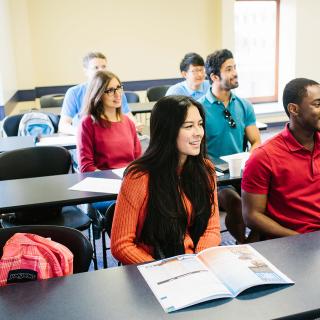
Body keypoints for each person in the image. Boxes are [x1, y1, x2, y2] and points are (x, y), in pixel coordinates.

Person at [111, 96, 221, 265]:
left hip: (195, 264)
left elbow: (211, 228)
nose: (198, 132)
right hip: (153, 266)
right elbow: (121, 245)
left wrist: (198, 262)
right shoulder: (139, 176)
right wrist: (165, 268)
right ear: (167, 131)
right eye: (189, 126)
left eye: (200, 124)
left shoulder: (205, 169)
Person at [242, 78, 320, 238]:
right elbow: (252, 216)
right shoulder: (264, 156)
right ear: (294, 109)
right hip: (291, 241)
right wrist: (301, 240)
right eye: (318, 104)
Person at [198, 49, 261, 244]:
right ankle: (242, 242)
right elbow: (194, 150)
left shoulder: (244, 105)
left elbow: (256, 142)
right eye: (229, 69)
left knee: (274, 196)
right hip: (212, 176)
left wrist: (251, 158)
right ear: (215, 76)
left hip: (241, 171)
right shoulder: (198, 108)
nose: (235, 72)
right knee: (233, 201)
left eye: (235, 67)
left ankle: (253, 241)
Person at [59, 51, 140, 135]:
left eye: (104, 67)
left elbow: (127, 115)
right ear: (86, 71)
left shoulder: (116, 90)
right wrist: (83, 132)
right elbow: (63, 125)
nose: (101, 70)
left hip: (112, 135)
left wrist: (135, 125)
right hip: (85, 139)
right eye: (96, 68)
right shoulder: (74, 92)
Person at [77, 70, 141, 172]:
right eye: (110, 90)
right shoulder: (87, 123)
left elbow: (138, 160)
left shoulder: (128, 121)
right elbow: (86, 166)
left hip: (128, 178)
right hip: (103, 180)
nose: (117, 94)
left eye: (119, 88)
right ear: (98, 94)